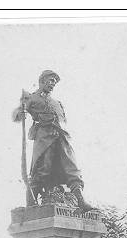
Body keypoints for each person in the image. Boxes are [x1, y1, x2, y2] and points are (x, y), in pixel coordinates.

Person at [13, 70, 95, 212]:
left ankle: (81, 201)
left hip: (61, 137)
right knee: (41, 170)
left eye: (55, 82)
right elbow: (16, 115)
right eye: (51, 81)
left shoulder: (57, 103)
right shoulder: (31, 98)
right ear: (42, 81)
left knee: (72, 168)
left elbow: (63, 120)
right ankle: (31, 204)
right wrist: (21, 112)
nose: (53, 84)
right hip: (44, 138)